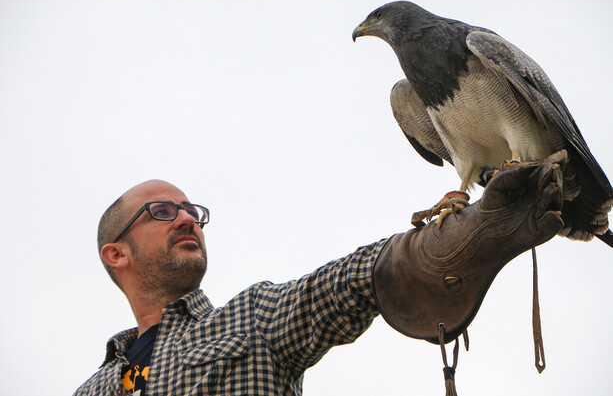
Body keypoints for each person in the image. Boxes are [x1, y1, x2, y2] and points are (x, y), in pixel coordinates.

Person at [73, 153, 566, 396]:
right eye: (161, 210)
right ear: (116, 254)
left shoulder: (250, 320)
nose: (185, 218)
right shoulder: (92, 391)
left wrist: (463, 235)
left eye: (191, 211)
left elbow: (343, 284)